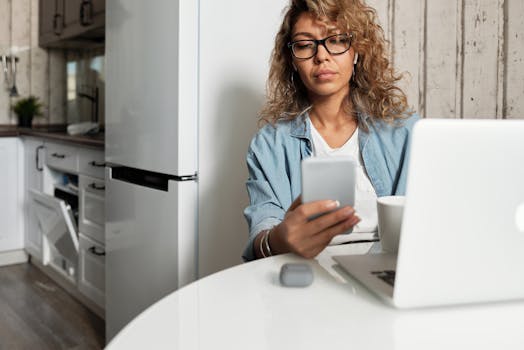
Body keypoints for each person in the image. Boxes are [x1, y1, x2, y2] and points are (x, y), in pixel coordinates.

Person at [242, 0, 419, 262]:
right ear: (292, 60)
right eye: (304, 44)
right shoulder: (269, 145)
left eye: (336, 40)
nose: (321, 56)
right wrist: (276, 240)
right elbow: (263, 228)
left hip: (388, 271)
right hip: (308, 276)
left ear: (357, 51)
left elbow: (424, 222)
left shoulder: (405, 132)